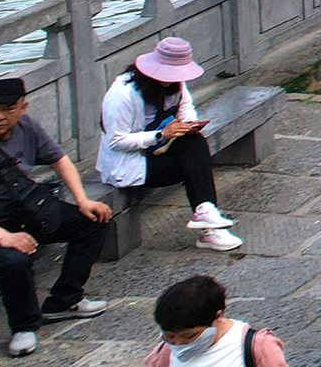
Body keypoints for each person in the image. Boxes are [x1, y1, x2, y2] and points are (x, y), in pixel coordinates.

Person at [0, 76, 115, 357]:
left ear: (22, 108)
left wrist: (82, 200)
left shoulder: (27, 127)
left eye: (7, 109)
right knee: (14, 259)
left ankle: (64, 300)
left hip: (19, 212)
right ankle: (24, 326)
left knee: (93, 222)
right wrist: (4, 238)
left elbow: (59, 159)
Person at [97, 38, 242, 253]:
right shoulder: (122, 94)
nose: (170, 80)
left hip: (160, 149)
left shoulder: (177, 85)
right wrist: (159, 135)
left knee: (195, 144)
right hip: (130, 163)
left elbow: (186, 107)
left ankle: (206, 213)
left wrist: (189, 124)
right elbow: (116, 141)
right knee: (195, 166)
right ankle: (209, 225)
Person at [141, 274, 307, 367]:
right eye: (169, 337)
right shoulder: (161, 355)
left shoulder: (256, 349)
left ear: (217, 318)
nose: (178, 344)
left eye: (189, 336)